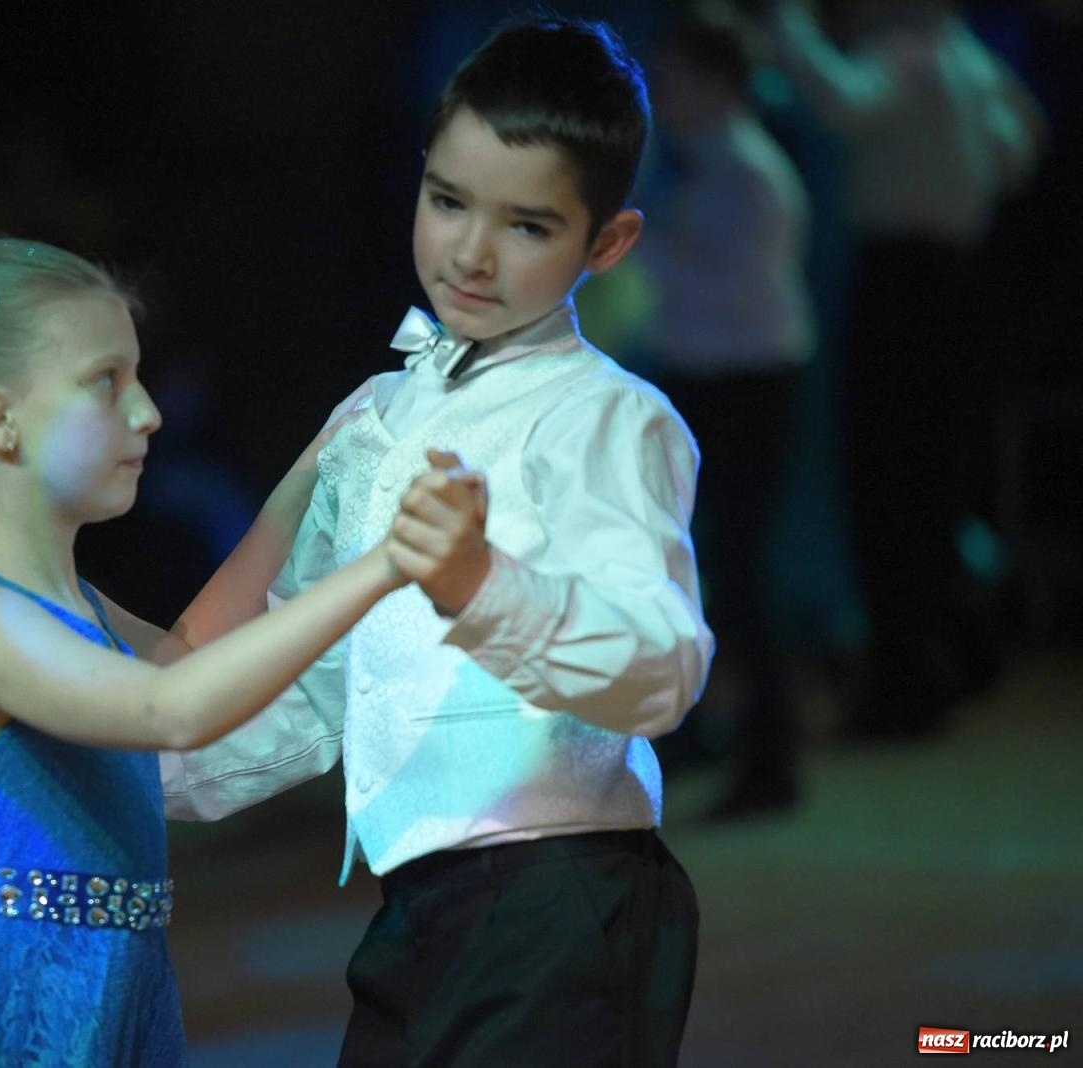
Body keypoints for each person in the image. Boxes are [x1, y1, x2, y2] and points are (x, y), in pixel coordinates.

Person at [162, 16, 714, 1066]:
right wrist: (124, 757)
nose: (467, 252)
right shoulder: (379, 412)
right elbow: (318, 675)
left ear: (608, 242)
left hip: (558, 900)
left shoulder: (606, 416)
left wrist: (478, 583)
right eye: (447, 201)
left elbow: (661, 668)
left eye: (526, 225)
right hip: (424, 909)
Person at [0, 237, 451, 1067]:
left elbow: (183, 656)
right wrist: (387, 567)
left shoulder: (69, 605)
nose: (148, 412)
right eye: (107, 382)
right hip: (7, 1014)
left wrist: (319, 461)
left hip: (105, 997)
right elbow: (174, 709)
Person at [765, 0, 1043, 736]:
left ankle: (907, 681)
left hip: (905, 285)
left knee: (889, 481)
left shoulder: (911, 53)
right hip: (965, 279)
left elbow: (844, 104)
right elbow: (1020, 150)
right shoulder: (970, 61)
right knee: (942, 482)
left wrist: (788, 24)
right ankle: (951, 659)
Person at [636, 11, 816, 818]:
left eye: (670, 77)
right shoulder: (711, 168)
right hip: (717, 381)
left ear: (715, 84)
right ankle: (711, 731)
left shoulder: (748, 174)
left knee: (741, 571)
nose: (658, 93)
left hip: (746, 386)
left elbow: (729, 292)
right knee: (709, 567)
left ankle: (771, 759)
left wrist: (630, 240)